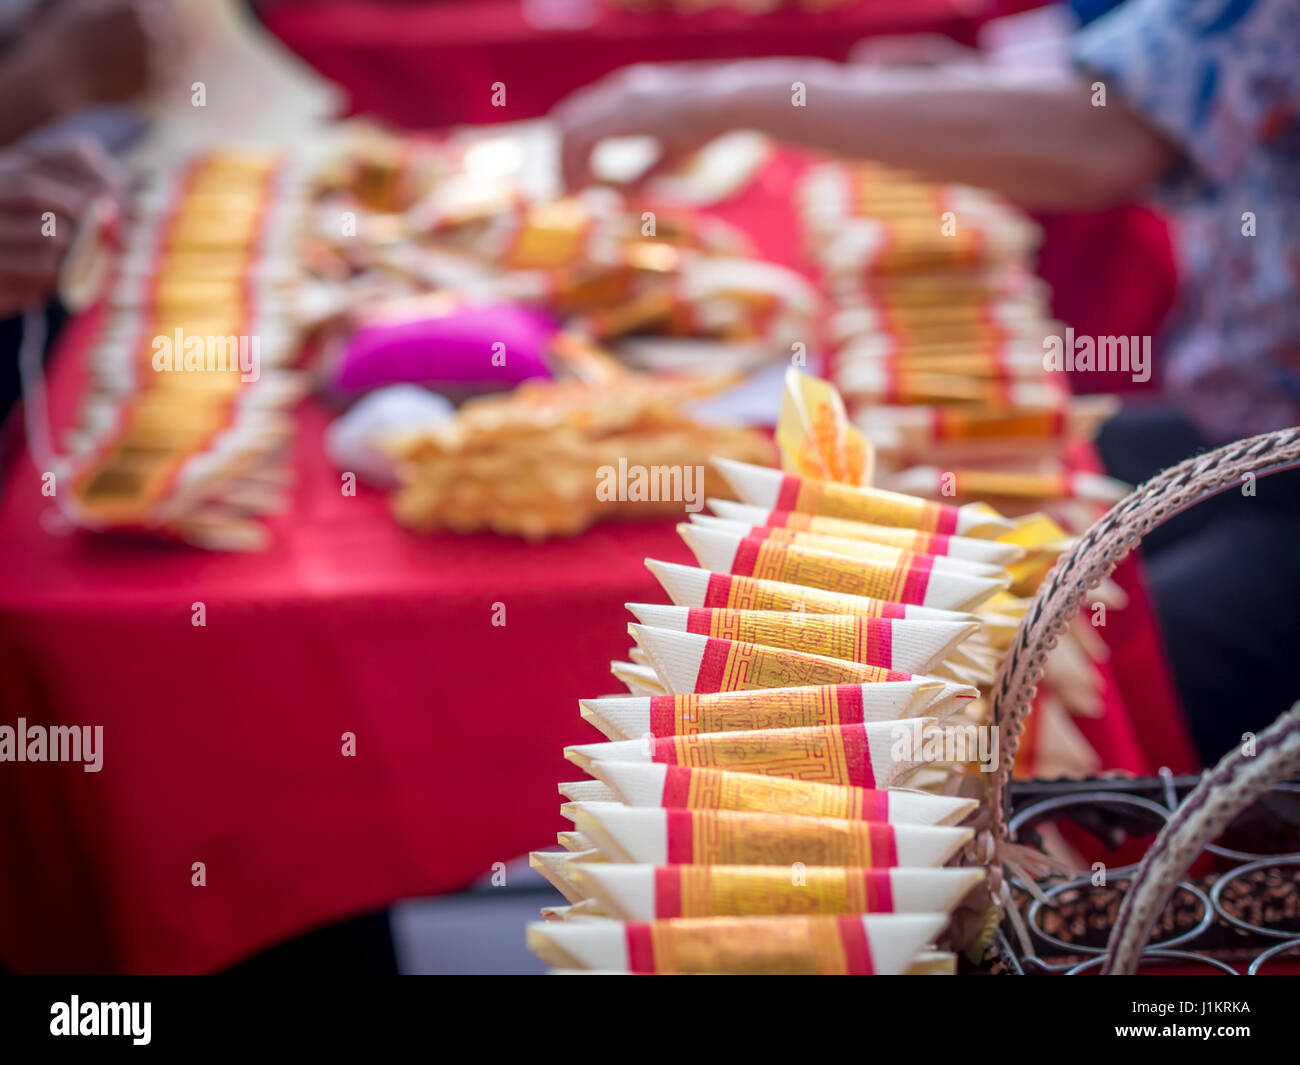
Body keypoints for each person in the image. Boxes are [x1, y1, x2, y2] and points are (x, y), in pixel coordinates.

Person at [550, 0, 1300, 763]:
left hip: (1281, 481)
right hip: (1237, 435)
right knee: (907, 543)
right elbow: (1131, 108)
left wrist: (732, 97)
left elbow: (1102, 138)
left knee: (976, 700)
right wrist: (967, 89)